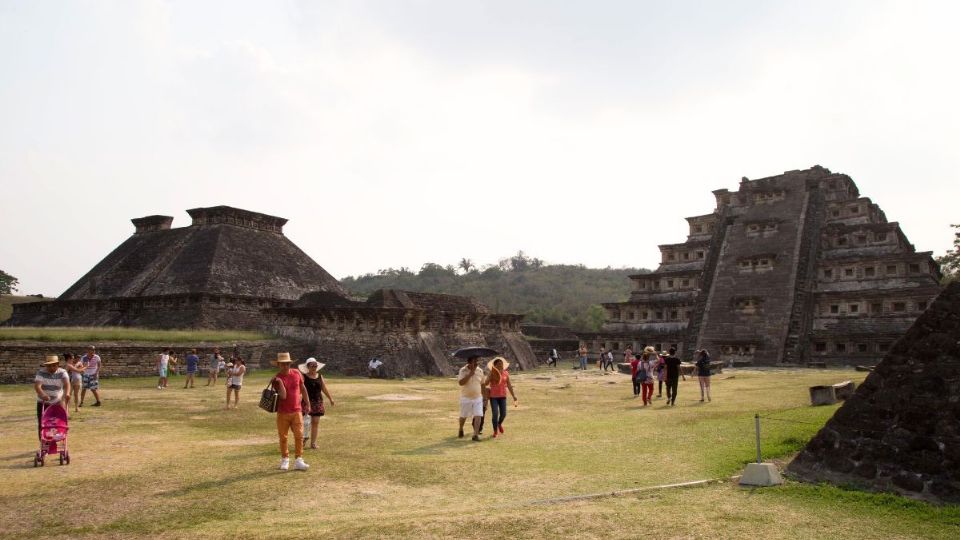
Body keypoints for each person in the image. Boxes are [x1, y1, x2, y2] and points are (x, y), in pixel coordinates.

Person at [270, 352, 310, 471]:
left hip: (297, 410)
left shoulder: (297, 373)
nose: (285, 366)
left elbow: (302, 388)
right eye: (282, 364)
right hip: (283, 412)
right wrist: (280, 382)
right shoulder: (276, 379)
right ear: (278, 365)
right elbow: (283, 396)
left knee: (299, 435)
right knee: (283, 437)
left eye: (287, 364)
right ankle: (285, 459)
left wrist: (308, 403)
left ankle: (298, 459)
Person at [299, 358, 335, 450]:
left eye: (315, 365)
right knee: (305, 423)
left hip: (317, 402)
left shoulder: (320, 376)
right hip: (306, 402)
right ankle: (302, 441)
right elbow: (300, 390)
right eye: (312, 365)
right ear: (308, 367)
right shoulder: (304, 377)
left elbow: (324, 388)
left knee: (315, 422)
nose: (314, 367)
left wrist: (330, 398)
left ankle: (313, 443)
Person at [34, 355, 70, 439]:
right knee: (42, 423)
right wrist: (43, 394)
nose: (51, 367)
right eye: (49, 366)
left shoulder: (63, 372)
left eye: (54, 365)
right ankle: (43, 442)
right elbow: (37, 386)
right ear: (46, 366)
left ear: (57, 364)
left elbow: (67, 384)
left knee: (59, 421)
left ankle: (58, 437)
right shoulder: (41, 372)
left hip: (58, 401)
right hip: (43, 402)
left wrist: (67, 393)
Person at [483, 357, 517, 438]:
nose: (500, 366)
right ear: (494, 365)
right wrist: (490, 376)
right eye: (498, 364)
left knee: (503, 414)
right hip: (493, 396)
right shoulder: (491, 373)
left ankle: (499, 424)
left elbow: (509, 385)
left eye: (501, 364)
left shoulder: (506, 373)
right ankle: (495, 431)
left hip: (502, 396)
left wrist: (513, 395)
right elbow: (486, 383)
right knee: (495, 414)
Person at [457, 355, 485, 441]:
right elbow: (461, 383)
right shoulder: (463, 370)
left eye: (476, 361)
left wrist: (485, 397)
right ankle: (461, 428)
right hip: (466, 397)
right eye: (473, 362)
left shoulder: (480, 371)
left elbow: (483, 384)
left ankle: (475, 434)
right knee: (463, 416)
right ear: (469, 362)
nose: (475, 363)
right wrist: (470, 374)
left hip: (478, 397)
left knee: (478, 415)